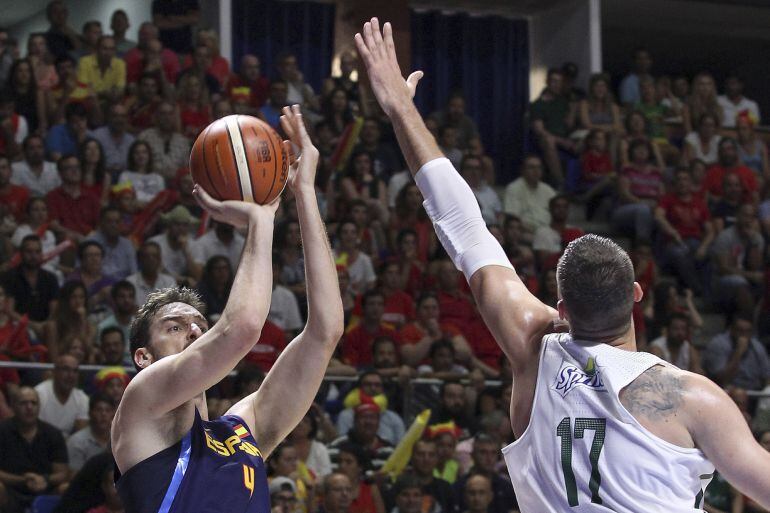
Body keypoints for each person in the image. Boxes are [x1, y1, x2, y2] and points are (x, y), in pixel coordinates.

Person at [356, 17, 770, 511]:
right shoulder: (692, 397)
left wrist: (401, 110)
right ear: (637, 294)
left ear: (562, 307)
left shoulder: (535, 347)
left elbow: (463, 225)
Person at [111, 105, 344, 512]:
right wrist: (260, 221)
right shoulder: (141, 402)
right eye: (175, 326)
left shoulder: (243, 429)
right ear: (143, 357)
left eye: (200, 324)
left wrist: (304, 191)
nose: (196, 331)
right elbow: (242, 328)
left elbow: (326, 331)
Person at [0, 386, 69, 513]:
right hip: (11, 491)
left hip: (45, 489)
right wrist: (23, 480)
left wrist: (45, 479)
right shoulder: (2, 431)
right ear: (13, 406)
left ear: (39, 406)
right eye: (23, 403)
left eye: (33, 403)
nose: (29, 407)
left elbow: (63, 473)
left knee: (66, 488)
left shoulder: (53, 433)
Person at [35, 354, 90, 436]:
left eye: (75, 371)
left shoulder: (82, 398)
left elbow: (81, 434)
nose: (71, 375)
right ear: (55, 372)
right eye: (66, 369)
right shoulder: (39, 394)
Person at [67, 392, 115, 472]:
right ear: (90, 413)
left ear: (113, 414)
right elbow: (74, 478)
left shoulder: (120, 440)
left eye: (108, 410)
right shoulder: (76, 442)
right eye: (99, 410)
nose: (103, 414)